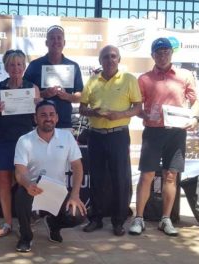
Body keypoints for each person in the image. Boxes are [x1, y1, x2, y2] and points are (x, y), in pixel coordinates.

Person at [129, 37, 199, 237]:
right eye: (158, 52)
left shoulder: (185, 75)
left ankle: (166, 219)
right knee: (147, 175)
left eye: (166, 51)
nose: (162, 55)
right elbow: (136, 106)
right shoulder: (143, 78)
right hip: (153, 132)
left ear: (171, 53)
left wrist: (195, 117)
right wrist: (144, 114)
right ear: (152, 55)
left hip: (176, 132)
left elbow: (195, 102)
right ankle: (139, 218)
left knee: (171, 175)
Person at [79, 45, 142, 236]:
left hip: (118, 134)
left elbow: (138, 107)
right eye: (105, 57)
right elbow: (82, 108)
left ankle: (118, 221)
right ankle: (95, 218)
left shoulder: (129, 79)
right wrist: (93, 112)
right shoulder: (92, 81)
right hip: (96, 135)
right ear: (100, 61)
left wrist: (120, 114)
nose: (109, 60)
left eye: (113, 56)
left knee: (120, 179)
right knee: (96, 178)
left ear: (119, 60)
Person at [14, 100, 87, 252]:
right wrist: (28, 185)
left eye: (51, 114)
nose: (48, 118)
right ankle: (26, 237)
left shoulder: (67, 137)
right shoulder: (24, 140)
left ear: (57, 118)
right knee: (20, 195)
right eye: (43, 115)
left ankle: (54, 225)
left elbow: (78, 167)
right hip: (33, 189)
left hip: (57, 191)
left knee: (78, 214)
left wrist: (75, 194)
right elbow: (19, 172)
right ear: (35, 119)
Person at [0, 49, 40, 238]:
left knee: (26, 182)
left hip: (26, 142)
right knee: (4, 182)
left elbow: (37, 119)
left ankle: (27, 220)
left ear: (24, 67)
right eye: (11, 64)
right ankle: (8, 223)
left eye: (19, 64)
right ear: (6, 67)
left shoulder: (32, 88)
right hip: (4, 140)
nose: (15, 68)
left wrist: (37, 106)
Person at [24, 25, 83, 129]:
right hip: (39, 124)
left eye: (59, 38)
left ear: (64, 42)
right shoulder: (34, 65)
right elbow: (24, 92)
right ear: (46, 43)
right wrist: (43, 94)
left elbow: (80, 95)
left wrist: (67, 96)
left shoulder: (73, 66)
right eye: (52, 38)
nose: (56, 41)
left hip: (64, 123)